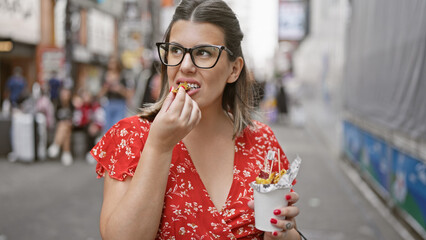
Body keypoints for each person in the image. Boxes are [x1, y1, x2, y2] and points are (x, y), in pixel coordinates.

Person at [91, 0, 303, 239]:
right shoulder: (131, 136)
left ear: (234, 70)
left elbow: (286, 229)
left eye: (203, 53)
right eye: (176, 50)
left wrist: (284, 233)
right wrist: (159, 146)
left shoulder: (261, 141)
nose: (185, 66)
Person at [98, 56, 132, 133]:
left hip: (120, 104)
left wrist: (119, 88)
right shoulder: (105, 76)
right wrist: (106, 86)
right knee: (107, 129)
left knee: (117, 128)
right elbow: (100, 94)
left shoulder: (123, 77)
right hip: (109, 103)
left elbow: (128, 94)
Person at [47, 88, 74, 166]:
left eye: (66, 95)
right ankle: (66, 153)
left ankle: (56, 145)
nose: (65, 96)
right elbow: (55, 118)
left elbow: (75, 117)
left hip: (71, 125)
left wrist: (70, 122)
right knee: (64, 128)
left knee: (65, 125)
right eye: (63, 94)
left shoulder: (72, 106)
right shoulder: (57, 105)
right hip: (61, 127)